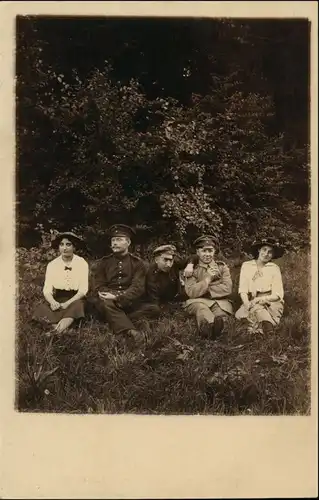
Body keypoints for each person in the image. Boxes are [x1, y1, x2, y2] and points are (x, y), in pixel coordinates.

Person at [89, 224, 147, 347]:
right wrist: (108, 295)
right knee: (104, 302)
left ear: (128, 242)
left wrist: (117, 297)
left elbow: (138, 287)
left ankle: (114, 317)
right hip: (107, 299)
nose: (115, 243)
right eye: (113, 240)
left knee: (152, 308)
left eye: (119, 240)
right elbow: (99, 286)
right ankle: (131, 331)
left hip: (128, 300)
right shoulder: (104, 262)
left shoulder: (138, 263)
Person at [33, 232, 89, 335]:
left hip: (75, 297)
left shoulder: (82, 263)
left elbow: (83, 290)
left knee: (78, 305)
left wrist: (67, 304)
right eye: (61, 244)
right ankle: (63, 331)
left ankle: (55, 332)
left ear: (74, 247)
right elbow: (47, 290)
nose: (64, 248)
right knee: (41, 308)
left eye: (68, 244)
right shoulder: (52, 265)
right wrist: (53, 302)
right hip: (58, 298)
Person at [183, 235, 233, 339]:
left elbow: (227, 288)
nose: (207, 254)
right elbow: (191, 292)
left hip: (219, 301)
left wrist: (204, 290)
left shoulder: (222, 267)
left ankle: (218, 329)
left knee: (220, 313)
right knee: (201, 309)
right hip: (198, 301)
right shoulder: (192, 270)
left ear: (214, 252)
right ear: (197, 252)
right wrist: (208, 278)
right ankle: (208, 328)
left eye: (210, 251)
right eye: (204, 251)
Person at [130, 244, 198, 320]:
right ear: (156, 260)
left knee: (195, 293)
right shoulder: (151, 275)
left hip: (176, 294)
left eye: (170, 260)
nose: (169, 264)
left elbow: (194, 257)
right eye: (165, 260)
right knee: (156, 310)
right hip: (158, 300)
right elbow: (155, 301)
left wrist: (190, 265)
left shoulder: (175, 263)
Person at [235, 237, 285, 334]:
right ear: (259, 250)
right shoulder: (247, 265)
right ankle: (264, 325)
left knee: (257, 308)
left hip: (271, 301)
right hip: (251, 299)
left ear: (273, 255)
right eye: (264, 250)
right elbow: (243, 289)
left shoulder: (274, 268)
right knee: (239, 314)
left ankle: (266, 326)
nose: (266, 254)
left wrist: (259, 300)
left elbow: (277, 295)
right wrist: (246, 303)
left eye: (270, 252)